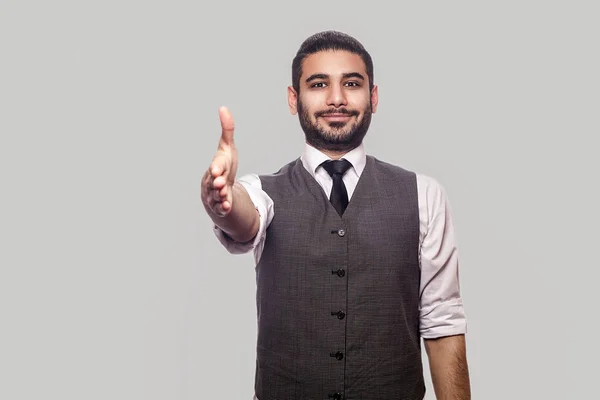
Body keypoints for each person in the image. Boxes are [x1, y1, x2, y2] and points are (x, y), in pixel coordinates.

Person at [201, 30, 471, 400]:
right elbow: (244, 220)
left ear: (373, 97)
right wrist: (222, 201)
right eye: (318, 84)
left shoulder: (425, 195)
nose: (336, 99)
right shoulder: (262, 191)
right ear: (294, 99)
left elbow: (443, 322)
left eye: (352, 83)